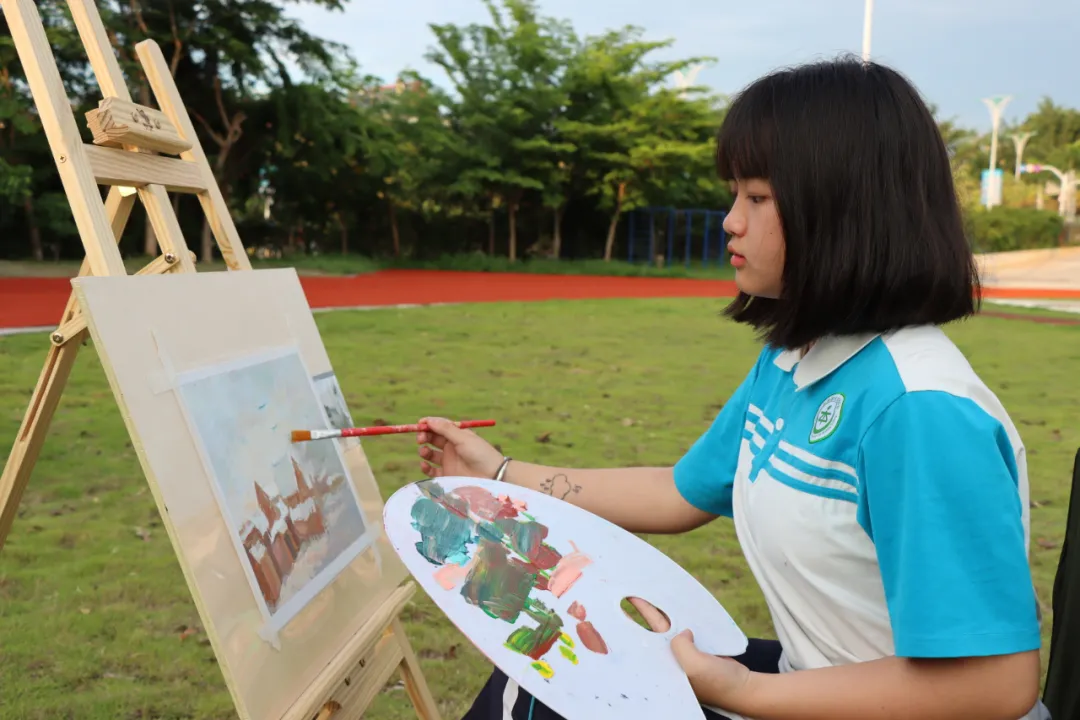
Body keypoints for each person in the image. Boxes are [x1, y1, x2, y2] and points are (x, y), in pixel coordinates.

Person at [415, 55, 1048, 720]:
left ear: (840, 206)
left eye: (756, 197)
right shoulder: (795, 360)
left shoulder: (918, 410)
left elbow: (994, 685)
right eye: (734, 194)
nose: (729, 221)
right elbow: (683, 491)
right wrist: (504, 472)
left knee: (535, 696)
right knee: (544, 669)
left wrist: (746, 692)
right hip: (814, 683)